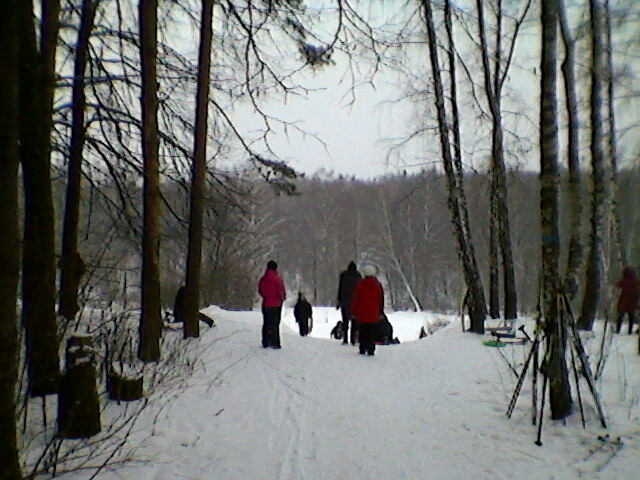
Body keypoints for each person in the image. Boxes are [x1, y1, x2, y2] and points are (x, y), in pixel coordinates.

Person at [351, 264, 384, 356]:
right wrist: (380, 311)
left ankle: (362, 347)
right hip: (373, 313)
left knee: (363, 331)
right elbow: (381, 299)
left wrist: (354, 311)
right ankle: (371, 349)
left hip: (362, 312)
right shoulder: (377, 285)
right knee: (371, 331)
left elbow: (356, 299)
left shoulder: (360, 284)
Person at [258, 260, 286, 348]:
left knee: (266, 323)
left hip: (266, 303)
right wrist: (282, 299)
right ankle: (274, 342)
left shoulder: (263, 279)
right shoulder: (277, 279)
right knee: (275, 323)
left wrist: (265, 297)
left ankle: (265, 341)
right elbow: (281, 292)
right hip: (276, 304)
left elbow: (260, 290)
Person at [336, 261, 362, 345]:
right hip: (355, 302)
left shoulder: (343, 275)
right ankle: (353, 339)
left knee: (345, 321)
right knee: (354, 322)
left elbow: (340, 288)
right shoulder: (358, 276)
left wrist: (339, 301)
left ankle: (345, 339)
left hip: (345, 301)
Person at [615, 265, 639, 334]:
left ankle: (618, 330)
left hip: (624, 301)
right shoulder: (636, 281)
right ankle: (630, 331)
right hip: (633, 302)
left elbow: (617, 285)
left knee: (620, 317)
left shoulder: (624, 280)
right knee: (631, 318)